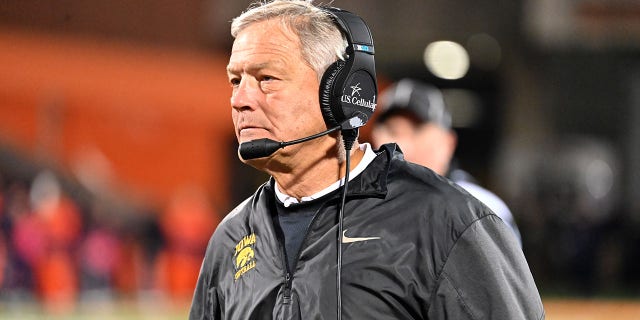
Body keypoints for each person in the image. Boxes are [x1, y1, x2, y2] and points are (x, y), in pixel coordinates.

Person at [190, 1, 544, 319]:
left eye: (266, 79)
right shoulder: (232, 237)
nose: (240, 100)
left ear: (339, 95)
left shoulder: (445, 222)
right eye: (236, 81)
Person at [371, 78, 522, 245]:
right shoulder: (362, 203)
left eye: (417, 130)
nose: (402, 145)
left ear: (448, 142)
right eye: (393, 131)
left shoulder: (479, 207)